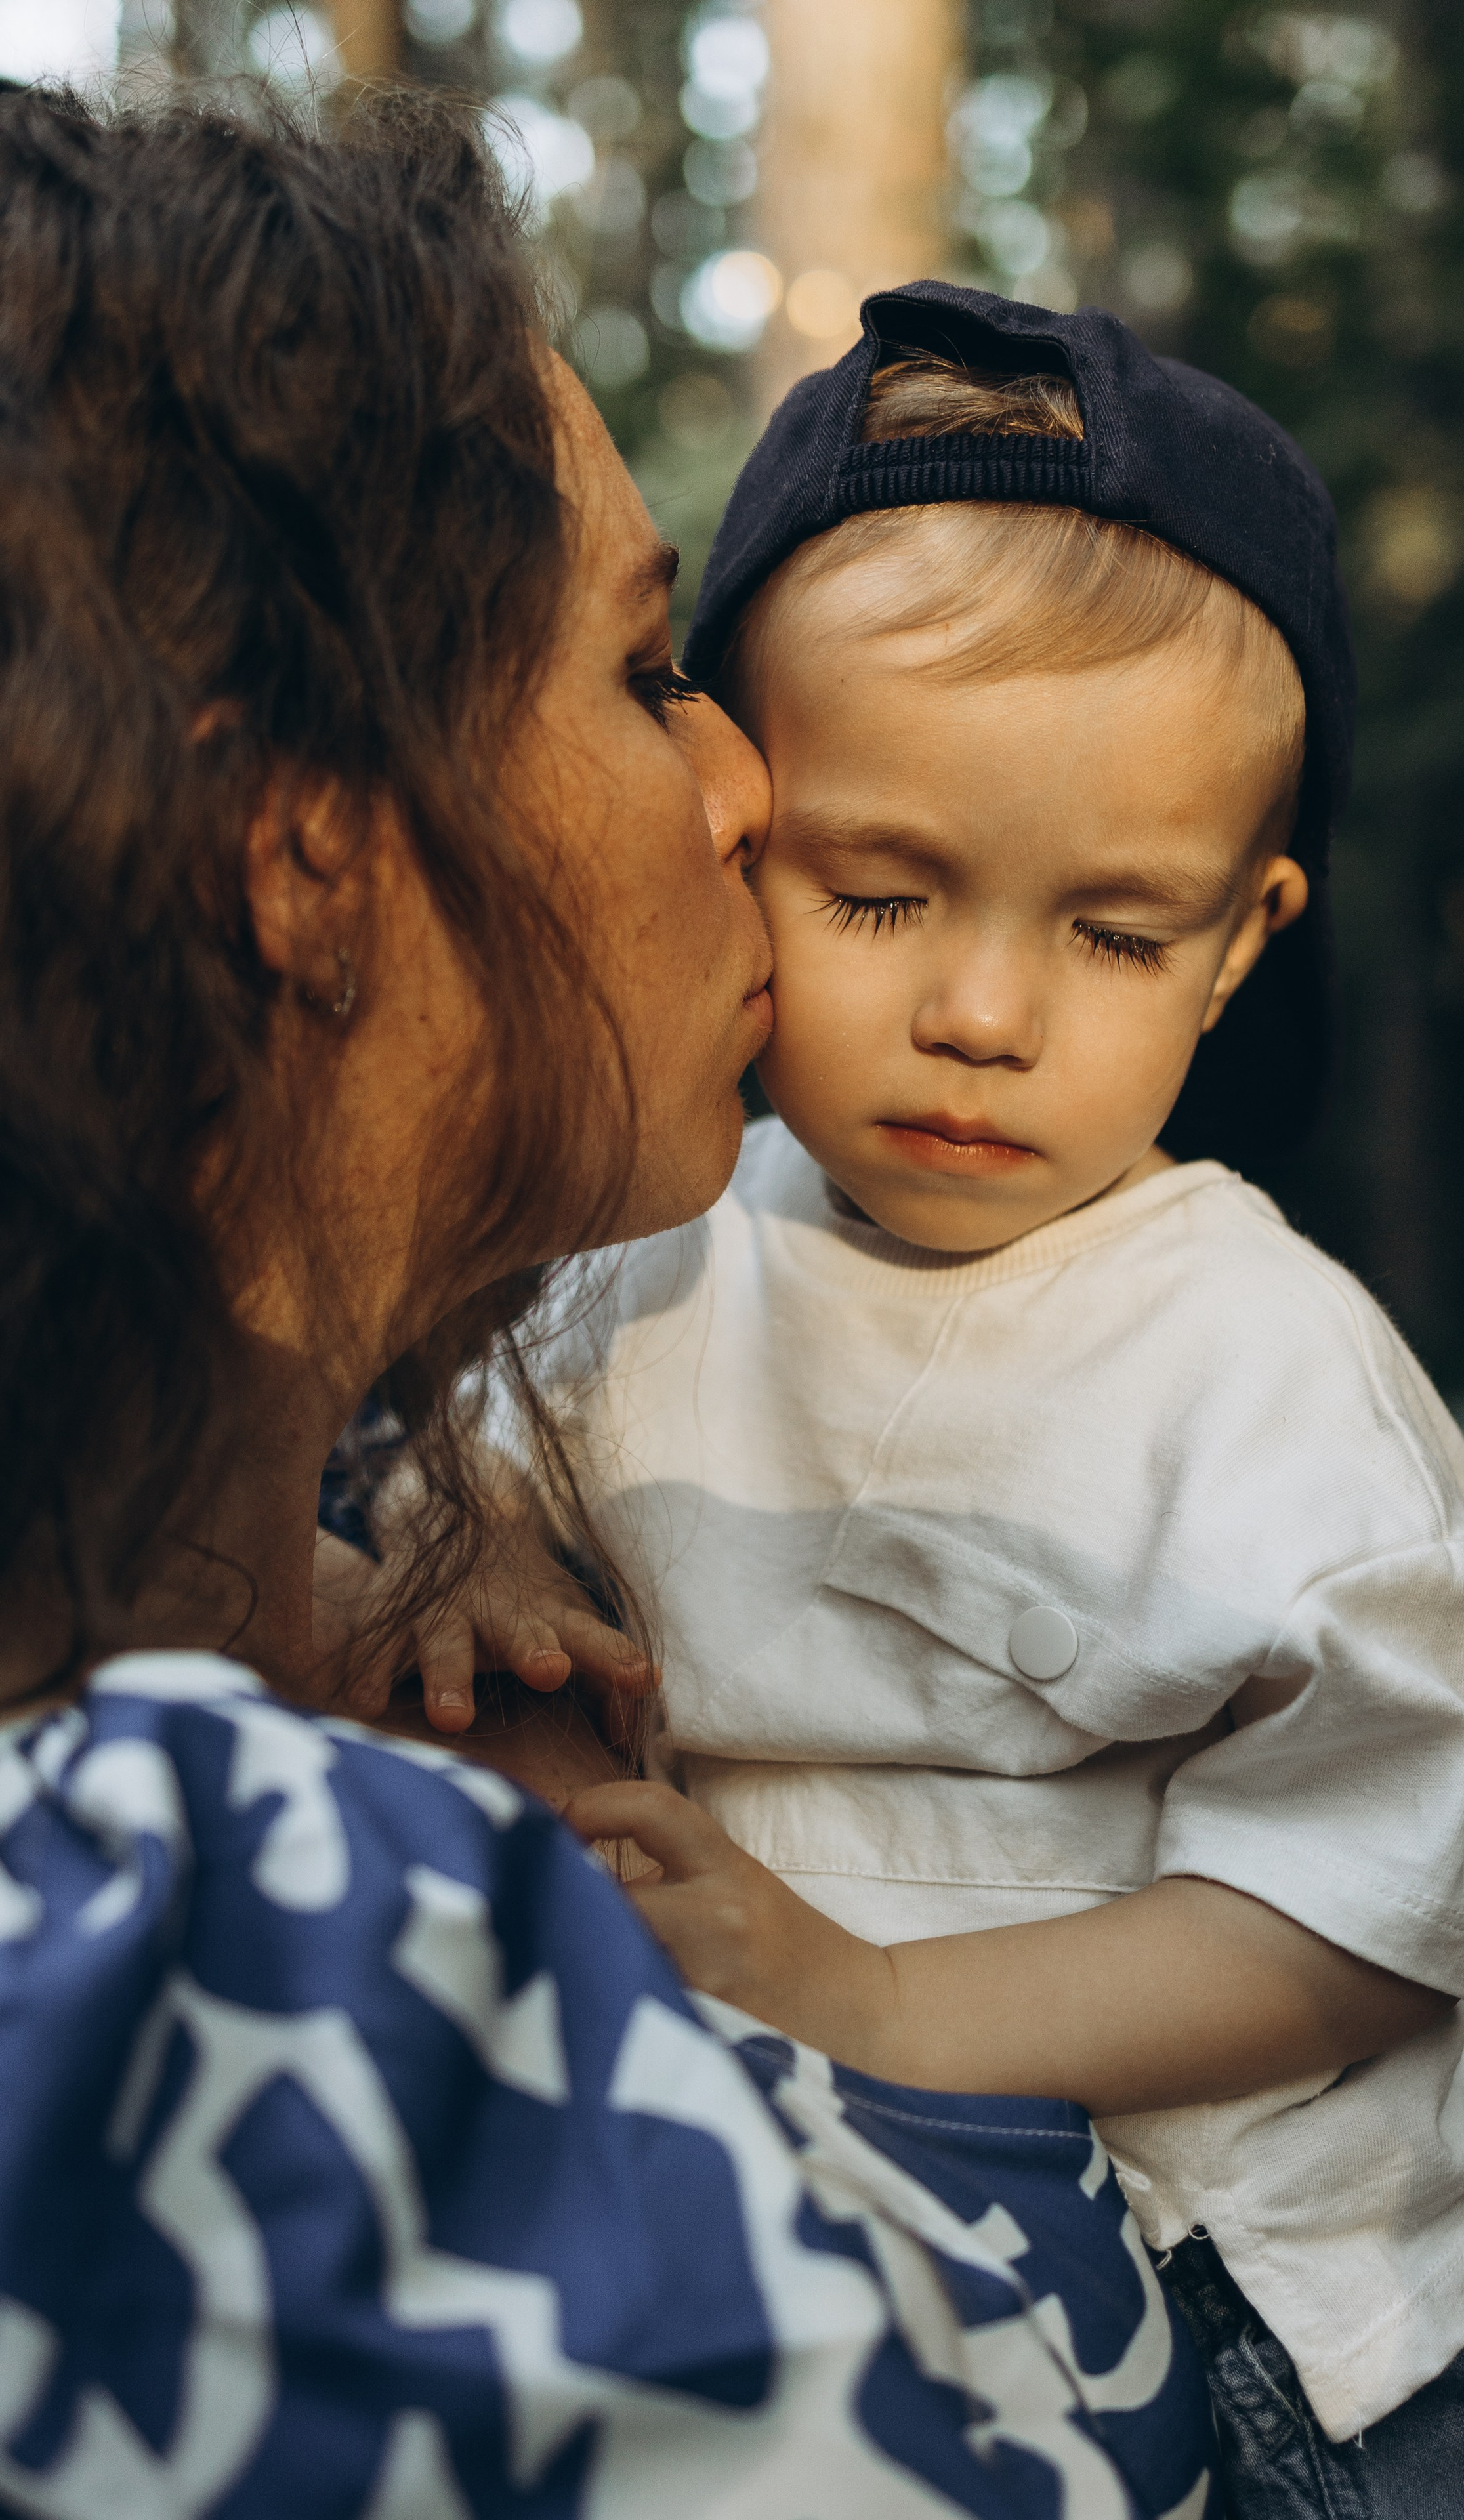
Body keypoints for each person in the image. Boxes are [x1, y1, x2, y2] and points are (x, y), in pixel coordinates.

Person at [0, 97, 1224, 2519]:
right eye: (647, 668)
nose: (754, 787)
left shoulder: (308, 1744)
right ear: (305, 853)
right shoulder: (214, 1955)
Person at [351, 288, 1464, 2518]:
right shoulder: (635, 1267)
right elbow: (465, 1471)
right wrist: (480, 1571)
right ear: (738, 827)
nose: (987, 1013)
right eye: (883, 889)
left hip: (1276, 2332)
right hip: (831, 2236)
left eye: (1117, 935)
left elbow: (1361, 1911)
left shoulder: (1261, 1378)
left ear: (1239, 942)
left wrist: (883, 2002)